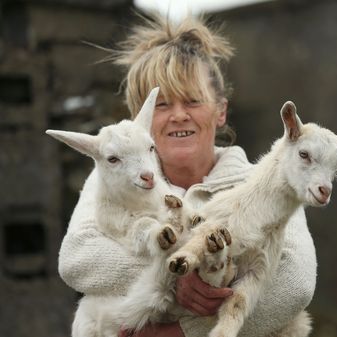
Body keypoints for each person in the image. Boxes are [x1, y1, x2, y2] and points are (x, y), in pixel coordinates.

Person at [58, 14, 317, 337]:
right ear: (141, 118)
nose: (178, 115)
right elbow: (77, 257)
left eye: (193, 101)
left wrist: (182, 331)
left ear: (220, 111)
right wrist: (176, 277)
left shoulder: (270, 182)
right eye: (162, 104)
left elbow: (295, 283)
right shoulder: (109, 179)